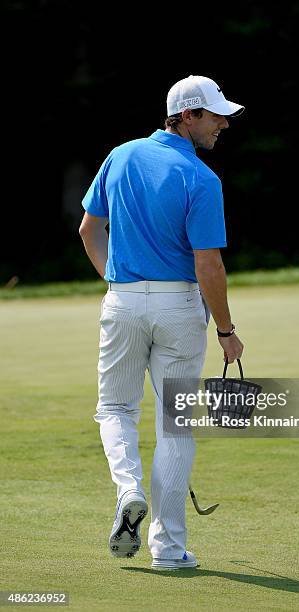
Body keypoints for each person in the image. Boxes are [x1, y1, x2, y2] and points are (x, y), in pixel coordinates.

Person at [79, 75, 244, 570]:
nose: (222, 124)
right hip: (179, 307)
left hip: (123, 302)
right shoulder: (202, 178)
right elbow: (208, 264)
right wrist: (226, 330)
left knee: (114, 409)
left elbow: (89, 230)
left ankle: (128, 490)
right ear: (187, 115)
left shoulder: (121, 154)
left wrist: (117, 284)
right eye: (215, 116)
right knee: (175, 427)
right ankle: (168, 552)